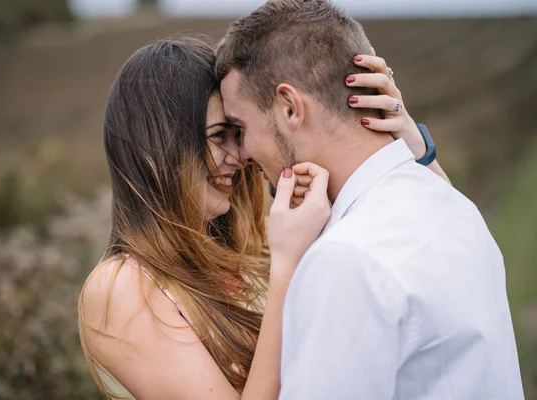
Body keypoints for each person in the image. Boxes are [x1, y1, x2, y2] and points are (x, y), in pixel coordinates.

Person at [78, 36, 447, 400]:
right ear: (159, 146)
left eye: (239, 134)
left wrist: (411, 141)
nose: (240, 155)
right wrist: (288, 262)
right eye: (220, 136)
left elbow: (453, 233)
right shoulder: (121, 291)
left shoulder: (248, 252)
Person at [215, 1, 525, 399]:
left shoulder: (346, 259)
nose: (241, 153)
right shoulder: (452, 206)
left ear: (290, 107)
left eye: (241, 127)